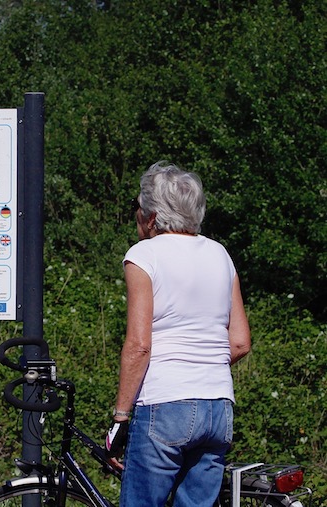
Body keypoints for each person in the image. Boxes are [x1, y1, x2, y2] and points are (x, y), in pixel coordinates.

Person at [105, 161, 251, 507]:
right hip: (218, 407)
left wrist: (120, 417)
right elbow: (240, 342)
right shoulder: (220, 253)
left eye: (138, 207)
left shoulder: (144, 254)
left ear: (152, 217)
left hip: (165, 403)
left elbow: (139, 346)